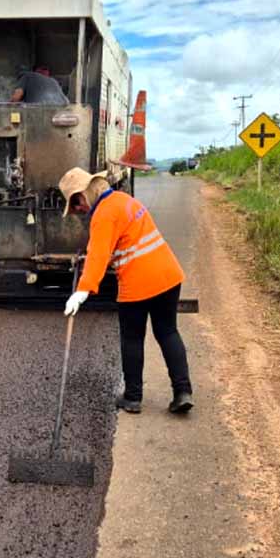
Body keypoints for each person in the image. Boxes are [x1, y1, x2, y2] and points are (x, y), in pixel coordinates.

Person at [59, 167, 194, 415]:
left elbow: (99, 255)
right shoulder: (124, 200)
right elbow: (123, 240)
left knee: (132, 338)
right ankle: (183, 392)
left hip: (138, 283)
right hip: (168, 275)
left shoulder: (103, 215)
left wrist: (82, 291)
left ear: (85, 193)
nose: (78, 210)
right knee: (167, 332)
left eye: (76, 203)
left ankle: (132, 397)